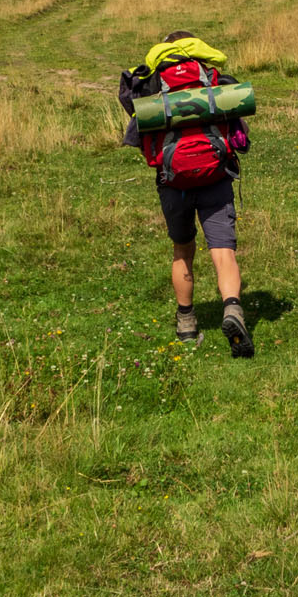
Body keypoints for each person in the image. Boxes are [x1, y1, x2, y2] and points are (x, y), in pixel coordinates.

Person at [124, 31, 254, 357]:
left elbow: (133, 115)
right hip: (215, 175)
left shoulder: (154, 83)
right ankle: (233, 310)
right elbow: (238, 131)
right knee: (223, 250)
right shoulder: (211, 79)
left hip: (173, 181)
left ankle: (186, 323)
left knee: (182, 249)